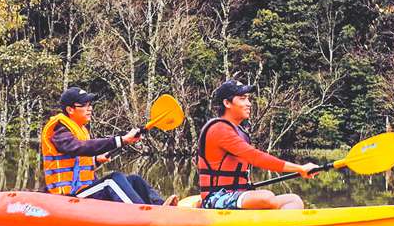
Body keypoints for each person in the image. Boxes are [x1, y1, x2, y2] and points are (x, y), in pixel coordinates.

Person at [195, 79, 320, 210]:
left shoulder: (239, 132)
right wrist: (300, 168)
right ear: (227, 103)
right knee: (266, 197)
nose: (248, 104)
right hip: (215, 199)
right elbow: (256, 157)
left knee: (294, 200)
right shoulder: (218, 129)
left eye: (248, 99)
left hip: (238, 196)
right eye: (242, 99)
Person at [40, 86, 169, 205]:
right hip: (67, 197)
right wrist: (121, 140)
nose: (90, 108)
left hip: (83, 191)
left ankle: (161, 206)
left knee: (135, 179)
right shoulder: (59, 129)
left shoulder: (80, 129)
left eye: (90, 104)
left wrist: (96, 160)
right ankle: (143, 214)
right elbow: (77, 147)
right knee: (112, 179)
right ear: (70, 109)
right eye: (84, 105)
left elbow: (77, 163)